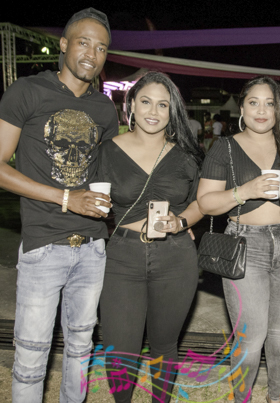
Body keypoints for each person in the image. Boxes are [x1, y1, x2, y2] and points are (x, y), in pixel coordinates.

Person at [0, 8, 118, 403]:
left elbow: (108, 171)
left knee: (81, 350)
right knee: (31, 356)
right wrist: (66, 198)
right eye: (84, 42)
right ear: (63, 44)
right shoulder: (27, 91)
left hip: (92, 248)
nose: (92, 53)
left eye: (101, 47)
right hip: (43, 247)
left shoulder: (105, 109)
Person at [98, 71, 204, 403]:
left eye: (163, 104)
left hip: (175, 257)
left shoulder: (186, 154)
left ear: (173, 111)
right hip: (122, 257)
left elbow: (201, 203)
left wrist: (182, 222)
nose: (153, 111)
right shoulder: (107, 151)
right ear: (131, 105)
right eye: (145, 102)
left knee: (164, 344)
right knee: (121, 348)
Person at [198, 75, 280, 403]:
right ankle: (242, 398)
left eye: (270, 103)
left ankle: (276, 397)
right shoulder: (225, 147)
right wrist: (246, 191)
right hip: (244, 244)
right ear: (242, 108)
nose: (262, 110)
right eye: (254, 102)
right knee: (251, 339)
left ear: (279, 109)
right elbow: (206, 203)